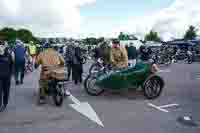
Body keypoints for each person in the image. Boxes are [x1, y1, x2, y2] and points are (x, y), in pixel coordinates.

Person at [0, 41, 13, 112]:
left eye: (2, 46)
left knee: (6, 91)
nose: (1, 48)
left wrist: (10, 74)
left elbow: (11, 65)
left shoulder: (8, 55)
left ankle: (5, 103)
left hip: (7, 77)